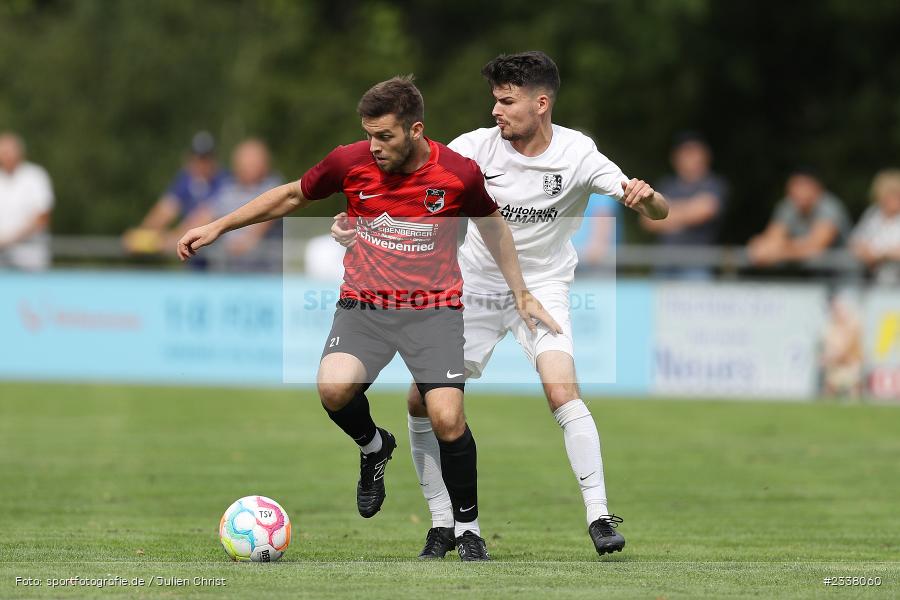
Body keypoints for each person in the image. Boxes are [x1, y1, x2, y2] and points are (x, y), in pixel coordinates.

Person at [177, 76, 559, 561]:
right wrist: (217, 225)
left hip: (432, 310)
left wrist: (521, 291)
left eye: (385, 136)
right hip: (366, 306)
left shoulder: (458, 174)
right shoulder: (349, 161)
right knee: (333, 389)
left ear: (415, 130)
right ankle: (374, 446)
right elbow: (292, 195)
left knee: (446, 416)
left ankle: (468, 530)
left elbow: (493, 225)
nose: (374, 147)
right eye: (369, 135)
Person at [333, 52, 668, 559]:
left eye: (506, 101)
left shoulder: (579, 154)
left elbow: (658, 210)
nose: (496, 111)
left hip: (544, 289)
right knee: (421, 401)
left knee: (562, 389)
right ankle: (445, 526)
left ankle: (599, 516)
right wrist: (360, 222)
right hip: (474, 287)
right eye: (495, 100)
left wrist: (648, 199)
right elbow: (414, 185)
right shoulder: (473, 149)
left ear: (541, 103)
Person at [178, 139, 282, 271]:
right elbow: (206, 215)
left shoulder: (273, 186)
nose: (247, 167)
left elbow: (266, 216)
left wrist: (244, 243)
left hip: (264, 272)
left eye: (252, 163)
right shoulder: (228, 188)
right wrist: (182, 237)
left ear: (264, 165)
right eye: (244, 163)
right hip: (229, 270)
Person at [122, 131, 226, 255]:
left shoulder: (224, 183)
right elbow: (166, 209)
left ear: (214, 160)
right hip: (196, 261)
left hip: (220, 261)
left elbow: (204, 219)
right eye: (197, 157)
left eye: (205, 158)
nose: (201, 163)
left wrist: (166, 241)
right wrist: (142, 235)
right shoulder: (186, 180)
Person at [641, 132, 728, 278]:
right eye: (685, 153)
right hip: (664, 263)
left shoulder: (714, 184)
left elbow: (706, 210)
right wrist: (690, 210)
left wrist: (667, 212)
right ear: (675, 158)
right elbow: (646, 221)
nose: (690, 158)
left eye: (694, 152)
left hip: (698, 264)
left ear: (705, 156)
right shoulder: (666, 184)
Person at [748, 168, 851, 269]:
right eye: (794, 186)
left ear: (817, 187)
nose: (797, 191)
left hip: (843, 278)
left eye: (802, 186)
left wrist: (777, 252)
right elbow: (773, 238)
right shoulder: (788, 206)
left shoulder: (829, 207)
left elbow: (816, 246)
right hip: (811, 277)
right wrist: (762, 246)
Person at [0, 132, 55, 271]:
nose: (5, 156)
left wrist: (12, 239)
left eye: (8, 151)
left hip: (30, 256)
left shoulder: (35, 176)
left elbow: (43, 216)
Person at [851, 169, 900, 284]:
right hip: (874, 280)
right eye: (887, 195)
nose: (891, 200)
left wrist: (881, 255)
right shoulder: (873, 214)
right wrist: (864, 252)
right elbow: (855, 240)